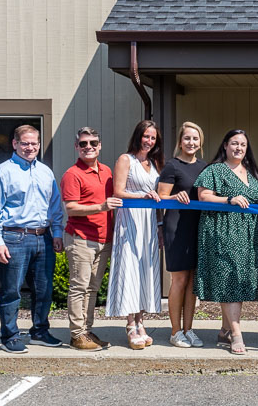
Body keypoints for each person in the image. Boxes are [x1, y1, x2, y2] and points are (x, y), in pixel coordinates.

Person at [0, 125, 64, 353]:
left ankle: (39, 331)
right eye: (25, 143)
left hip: (43, 238)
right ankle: (9, 336)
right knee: (11, 291)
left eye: (34, 143)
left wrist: (57, 233)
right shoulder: (3, 172)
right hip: (13, 238)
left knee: (44, 290)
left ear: (39, 144)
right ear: (15, 144)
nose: (30, 147)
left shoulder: (46, 172)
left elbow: (55, 207)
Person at [194, 129, 258, 355]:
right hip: (222, 233)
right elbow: (203, 196)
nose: (239, 148)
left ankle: (225, 329)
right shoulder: (214, 170)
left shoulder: (251, 172)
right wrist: (229, 199)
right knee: (229, 280)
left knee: (239, 281)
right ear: (225, 145)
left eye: (243, 144)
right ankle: (236, 334)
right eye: (234, 143)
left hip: (249, 235)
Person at [61, 127, 122, 351]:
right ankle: (77, 335)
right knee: (79, 287)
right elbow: (71, 208)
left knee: (92, 288)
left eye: (93, 143)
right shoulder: (72, 174)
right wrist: (101, 207)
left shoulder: (106, 171)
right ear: (76, 147)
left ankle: (86, 330)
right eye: (84, 144)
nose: (89, 147)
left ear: (100, 146)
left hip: (104, 239)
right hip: (81, 238)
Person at [106, 120, 164, 349]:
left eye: (153, 138)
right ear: (138, 136)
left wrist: (159, 225)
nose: (149, 141)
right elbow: (118, 191)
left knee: (145, 271)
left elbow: (159, 196)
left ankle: (141, 321)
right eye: (146, 136)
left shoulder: (155, 163)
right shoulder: (125, 159)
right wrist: (143, 196)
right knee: (129, 270)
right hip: (129, 220)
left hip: (149, 222)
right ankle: (130, 324)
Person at [157, 122, 207, 349]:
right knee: (179, 280)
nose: (191, 143)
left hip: (197, 227)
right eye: (187, 138)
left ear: (200, 142)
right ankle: (175, 332)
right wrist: (175, 197)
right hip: (176, 227)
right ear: (180, 141)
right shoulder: (172, 166)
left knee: (192, 282)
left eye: (195, 139)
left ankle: (189, 329)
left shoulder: (205, 167)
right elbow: (160, 197)